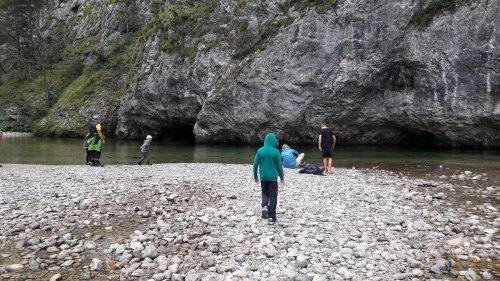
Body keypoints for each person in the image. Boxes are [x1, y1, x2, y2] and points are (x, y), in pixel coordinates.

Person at [253, 133, 285, 225]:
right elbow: (279, 166)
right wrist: (282, 177)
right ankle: (271, 217)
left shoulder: (260, 151)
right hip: (273, 178)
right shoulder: (276, 151)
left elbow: (255, 165)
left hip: (263, 177)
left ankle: (264, 206)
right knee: (273, 196)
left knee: (264, 192)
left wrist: (255, 176)